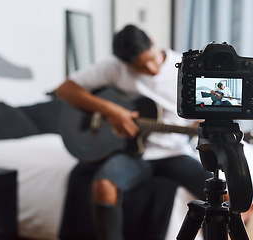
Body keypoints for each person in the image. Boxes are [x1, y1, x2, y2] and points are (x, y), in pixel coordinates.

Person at [56, 25, 212, 240]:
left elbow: (202, 116)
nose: (150, 68)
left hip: (173, 153)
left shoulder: (186, 67)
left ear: (153, 41)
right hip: (133, 154)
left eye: (152, 58)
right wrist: (111, 110)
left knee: (221, 193)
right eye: (140, 66)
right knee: (103, 186)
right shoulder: (115, 67)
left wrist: (200, 126)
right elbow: (65, 90)